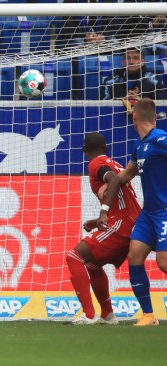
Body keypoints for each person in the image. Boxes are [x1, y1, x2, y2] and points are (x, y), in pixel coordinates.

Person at [98, 99, 167, 326]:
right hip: (149, 212)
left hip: (165, 211)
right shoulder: (139, 146)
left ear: (134, 117)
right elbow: (128, 174)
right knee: (134, 256)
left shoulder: (161, 139)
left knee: (163, 262)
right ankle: (149, 315)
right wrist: (111, 184)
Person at [67, 132, 141, 325]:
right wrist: (98, 218)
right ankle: (108, 315)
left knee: (74, 257)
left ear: (84, 150)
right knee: (93, 264)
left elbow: (114, 181)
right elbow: (118, 186)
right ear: (105, 148)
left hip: (122, 222)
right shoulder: (114, 163)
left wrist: (103, 212)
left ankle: (89, 315)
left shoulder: (95, 164)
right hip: (131, 220)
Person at [100, 47, 165, 101]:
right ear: (123, 61)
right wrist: (124, 99)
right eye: (128, 58)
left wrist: (138, 99)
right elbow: (104, 105)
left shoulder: (155, 81)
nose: (131, 62)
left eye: (136, 58)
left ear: (142, 62)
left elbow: (159, 106)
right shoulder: (110, 81)